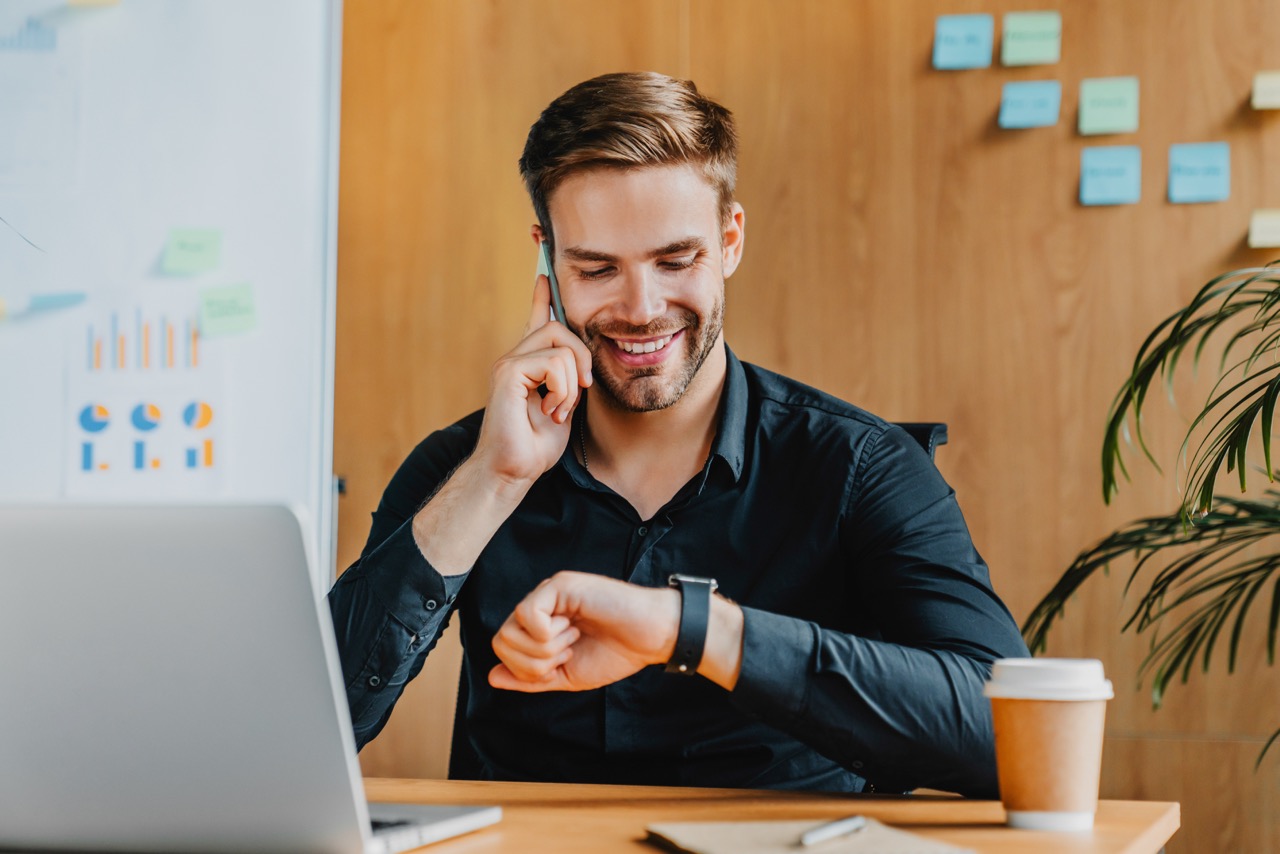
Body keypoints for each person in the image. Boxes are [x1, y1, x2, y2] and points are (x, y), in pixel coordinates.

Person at [328, 71, 1029, 798]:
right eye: (597, 268)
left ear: (729, 240)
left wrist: (694, 631)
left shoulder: (861, 466)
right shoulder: (463, 467)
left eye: (676, 260)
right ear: (548, 257)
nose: (641, 308)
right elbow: (314, 727)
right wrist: (493, 481)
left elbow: (1008, 736)